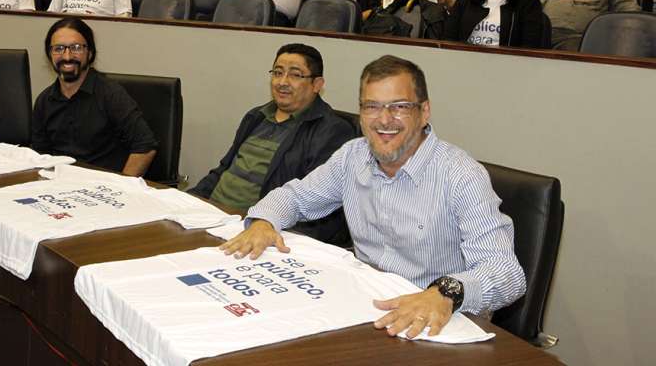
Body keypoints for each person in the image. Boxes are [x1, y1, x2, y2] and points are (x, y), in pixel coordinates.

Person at [220, 55, 525, 339]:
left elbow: (506, 273)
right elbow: (294, 197)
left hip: (436, 324)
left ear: (424, 111)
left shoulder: (460, 175)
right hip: (365, 311)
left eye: (400, 106)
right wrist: (263, 222)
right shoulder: (352, 157)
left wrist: (444, 292)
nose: (384, 119)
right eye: (372, 107)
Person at [191, 43, 355, 244]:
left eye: (295, 75)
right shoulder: (256, 116)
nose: (282, 82)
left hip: (253, 227)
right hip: (211, 216)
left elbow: (315, 204)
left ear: (317, 84)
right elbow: (223, 169)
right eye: (277, 73)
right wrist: (189, 201)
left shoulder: (332, 131)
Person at [32, 17, 157, 175]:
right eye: (59, 48)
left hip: (104, 188)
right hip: (60, 188)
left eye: (76, 48)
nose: (67, 56)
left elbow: (145, 146)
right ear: (50, 54)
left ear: (90, 53)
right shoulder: (44, 101)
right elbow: (40, 157)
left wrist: (121, 187)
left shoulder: (110, 94)